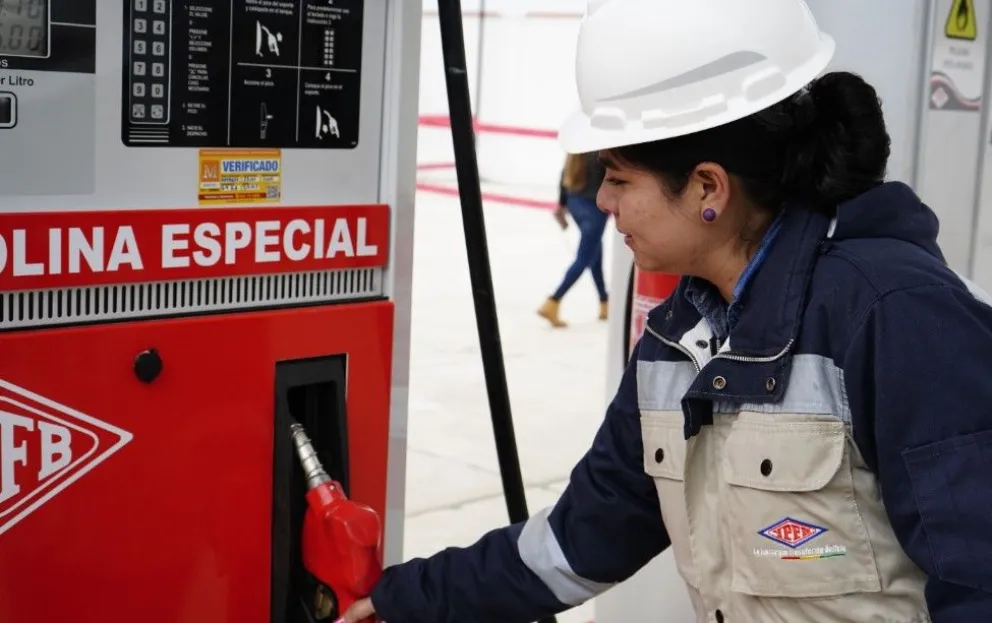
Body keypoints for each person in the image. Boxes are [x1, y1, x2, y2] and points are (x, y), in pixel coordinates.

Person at [341, 1, 992, 621]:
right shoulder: (679, 342)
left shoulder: (896, 315)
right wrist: (406, 599)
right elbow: (581, 541)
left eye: (620, 177)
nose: (602, 200)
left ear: (708, 187)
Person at [537, 152, 609, 327]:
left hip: (574, 203)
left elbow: (564, 174)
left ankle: (604, 302)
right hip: (594, 209)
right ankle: (553, 301)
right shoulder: (601, 151)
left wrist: (561, 204)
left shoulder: (576, 149)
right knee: (584, 258)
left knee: (595, 252)